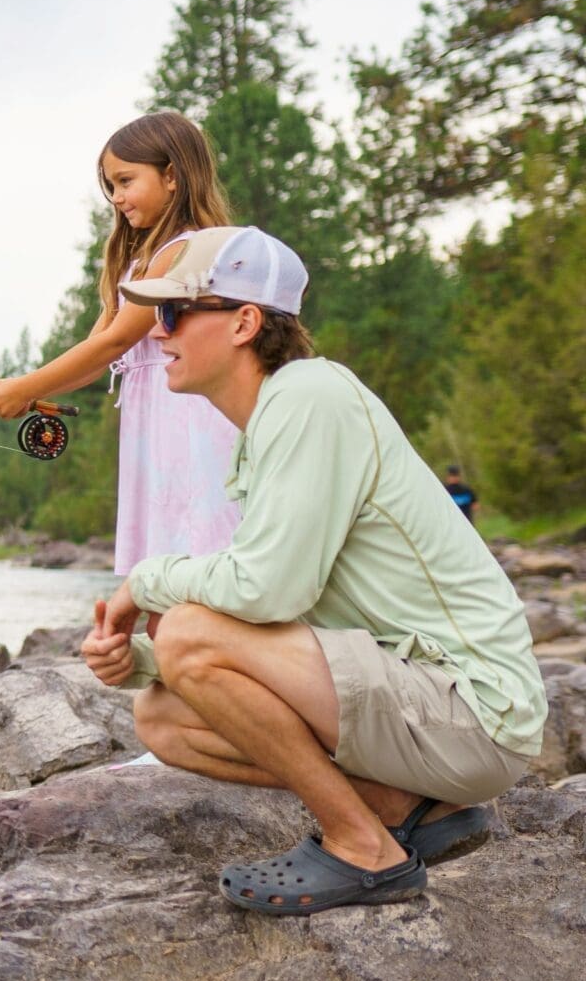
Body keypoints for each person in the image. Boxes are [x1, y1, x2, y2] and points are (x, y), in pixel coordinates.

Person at [80, 225, 547, 916]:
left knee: (187, 632)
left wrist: (145, 582)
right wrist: (141, 662)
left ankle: (364, 847)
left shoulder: (310, 397)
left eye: (174, 312)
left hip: (474, 706)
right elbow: (287, 615)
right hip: (416, 695)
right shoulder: (273, 423)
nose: (156, 332)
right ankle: (406, 808)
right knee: (163, 716)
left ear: (244, 321)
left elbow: (269, 592)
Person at [0, 111, 240, 574]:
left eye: (125, 181)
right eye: (110, 187)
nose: (117, 198)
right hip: (152, 422)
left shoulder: (184, 249)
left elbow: (115, 342)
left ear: (173, 176)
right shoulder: (136, 263)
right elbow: (94, 359)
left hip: (188, 418)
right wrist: (31, 391)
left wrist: (23, 386)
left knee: (196, 554)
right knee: (158, 568)